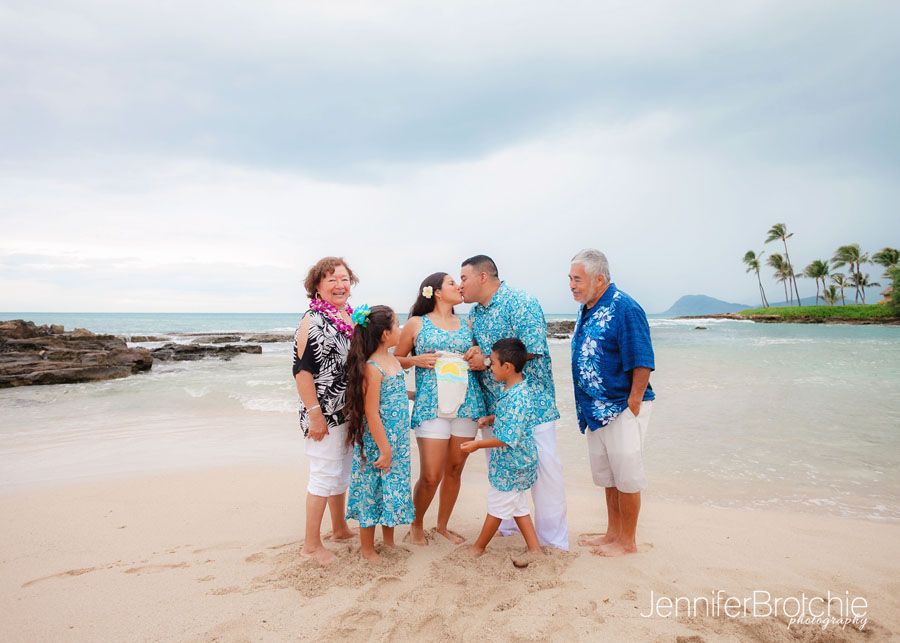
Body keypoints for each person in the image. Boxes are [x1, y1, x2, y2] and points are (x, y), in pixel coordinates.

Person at [459, 254, 569, 551]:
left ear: (483, 277)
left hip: (533, 404)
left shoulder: (521, 301)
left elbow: (532, 348)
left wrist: (485, 360)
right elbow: (483, 351)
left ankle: (553, 540)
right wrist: (475, 352)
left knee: (544, 470)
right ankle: (507, 526)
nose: (460, 285)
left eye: (464, 278)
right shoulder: (476, 313)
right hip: (494, 405)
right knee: (500, 469)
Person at [568, 249, 655, 557]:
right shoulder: (587, 308)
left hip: (621, 407)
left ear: (599, 279)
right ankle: (612, 533)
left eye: (577, 279)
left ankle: (627, 542)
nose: (571, 285)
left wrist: (633, 404)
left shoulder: (625, 308)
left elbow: (642, 359)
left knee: (627, 477)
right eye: (570, 279)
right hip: (594, 409)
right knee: (609, 476)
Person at [394, 272, 486, 545]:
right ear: (435, 292)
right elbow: (395, 359)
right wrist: (415, 361)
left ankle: (442, 526)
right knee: (431, 475)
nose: (459, 286)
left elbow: (480, 357)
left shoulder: (468, 323)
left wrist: (478, 352)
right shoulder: (416, 323)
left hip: (467, 403)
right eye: (452, 283)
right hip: (430, 405)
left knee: (455, 469)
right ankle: (416, 524)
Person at [293, 256, 359, 567]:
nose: (339, 285)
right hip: (325, 413)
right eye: (331, 279)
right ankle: (310, 546)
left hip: (348, 411)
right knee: (323, 474)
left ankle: (339, 528)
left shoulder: (349, 316)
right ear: (317, 287)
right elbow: (302, 371)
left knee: (341, 471)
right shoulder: (313, 319)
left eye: (344, 279)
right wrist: (315, 415)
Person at [344, 305, 416, 562]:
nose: (401, 329)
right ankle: (367, 549)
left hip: (398, 442)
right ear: (385, 334)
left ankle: (388, 541)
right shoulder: (372, 368)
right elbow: (372, 412)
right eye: (397, 325)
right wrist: (385, 450)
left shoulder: (393, 360)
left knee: (391, 490)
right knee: (371, 492)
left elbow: (395, 392)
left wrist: (414, 395)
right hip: (379, 443)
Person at [461, 339, 542, 559]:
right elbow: (510, 419)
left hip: (513, 464)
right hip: (516, 462)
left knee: (497, 505)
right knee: (518, 506)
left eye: (493, 363)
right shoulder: (514, 390)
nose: (489, 367)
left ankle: (478, 547)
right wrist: (490, 418)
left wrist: (477, 444)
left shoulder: (517, 397)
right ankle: (535, 549)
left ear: (507, 367)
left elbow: (506, 438)